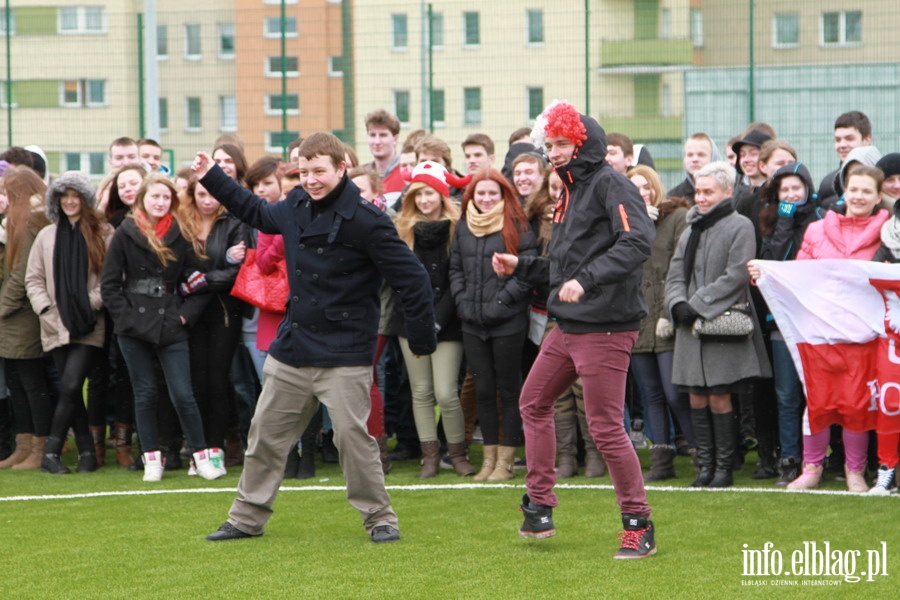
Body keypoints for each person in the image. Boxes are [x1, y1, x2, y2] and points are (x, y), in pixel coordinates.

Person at [192, 132, 436, 544]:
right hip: (294, 347)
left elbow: (412, 280)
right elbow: (254, 210)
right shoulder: (294, 206)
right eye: (304, 172)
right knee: (264, 437)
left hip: (346, 353)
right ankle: (246, 519)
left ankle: (379, 518)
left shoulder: (368, 219)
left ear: (342, 168)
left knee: (353, 441)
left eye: (319, 171)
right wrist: (212, 176)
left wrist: (420, 337)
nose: (311, 179)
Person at [493, 101, 657, 557]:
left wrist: (586, 281)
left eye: (562, 144)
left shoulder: (610, 184)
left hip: (605, 326)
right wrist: (520, 266)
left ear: (583, 144)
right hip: (570, 325)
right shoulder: (568, 190)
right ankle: (541, 505)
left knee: (605, 428)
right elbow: (564, 267)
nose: (554, 152)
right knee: (533, 402)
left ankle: (638, 525)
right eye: (550, 145)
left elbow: (639, 241)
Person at [100, 173, 223, 482]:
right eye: (155, 196)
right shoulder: (125, 232)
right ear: (142, 198)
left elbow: (199, 282)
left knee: (183, 393)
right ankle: (152, 459)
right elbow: (110, 285)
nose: (160, 202)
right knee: (145, 393)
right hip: (133, 325)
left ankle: (201, 457)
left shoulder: (181, 233)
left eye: (166, 197)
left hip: (170, 321)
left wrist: (183, 317)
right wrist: (126, 319)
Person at [774, 166, 888, 492]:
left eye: (867, 191)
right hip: (820, 333)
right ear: (845, 192)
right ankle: (812, 469)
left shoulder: (887, 233)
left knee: (856, 405)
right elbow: (799, 275)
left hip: (862, 335)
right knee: (817, 403)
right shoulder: (817, 230)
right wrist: (765, 272)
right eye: (854, 189)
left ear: (879, 197)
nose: (859, 196)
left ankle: (855, 472)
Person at [665, 161, 772, 489]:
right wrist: (677, 304)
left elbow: (737, 274)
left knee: (720, 396)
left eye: (708, 191)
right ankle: (705, 467)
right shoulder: (690, 226)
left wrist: (695, 306)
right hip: (690, 326)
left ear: (727, 192)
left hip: (719, 325)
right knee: (696, 396)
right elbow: (674, 272)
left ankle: (724, 469)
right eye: (698, 190)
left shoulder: (740, 225)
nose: (701, 197)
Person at [450, 169, 536, 482]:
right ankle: (488, 458)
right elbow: (456, 268)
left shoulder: (518, 224)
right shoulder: (463, 226)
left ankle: (506, 461)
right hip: (472, 323)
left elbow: (526, 273)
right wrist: (462, 301)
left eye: (492, 194)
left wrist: (501, 304)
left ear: (503, 196)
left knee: (509, 390)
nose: (486, 199)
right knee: (483, 390)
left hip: (507, 322)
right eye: (480, 193)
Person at [25, 171, 113, 474]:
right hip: (53, 323)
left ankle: (51, 452)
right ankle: (87, 452)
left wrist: (88, 304)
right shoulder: (46, 236)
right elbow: (33, 279)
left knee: (73, 384)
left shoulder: (102, 232)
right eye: (64, 196)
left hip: (89, 322)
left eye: (76, 196)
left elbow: (110, 278)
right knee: (70, 390)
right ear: (57, 200)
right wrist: (46, 308)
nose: (70, 202)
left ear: (85, 199)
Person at [394, 161, 473, 478]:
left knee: (445, 392)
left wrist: (436, 321)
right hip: (410, 322)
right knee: (421, 391)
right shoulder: (402, 231)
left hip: (447, 323)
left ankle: (457, 454)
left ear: (442, 195)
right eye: (419, 194)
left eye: (431, 193)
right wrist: (418, 323)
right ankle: (429, 455)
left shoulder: (458, 229)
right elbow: (398, 282)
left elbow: (458, 280)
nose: (425, 200)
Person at [747, 162, 822, 485]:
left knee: (818, 394)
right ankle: (789, 457)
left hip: (817, 321)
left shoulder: (821, 220)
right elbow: (773, 260)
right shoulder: (772, 221)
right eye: (785, 190)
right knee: (786, 394)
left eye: (797, 188)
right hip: (781, 320)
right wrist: (785, 220)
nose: (792, 194)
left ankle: (818, 459)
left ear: (808, 188)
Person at [627, 165, 692, 481]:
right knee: (651, 393)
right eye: (634, 188)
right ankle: (661, 461)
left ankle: (700, 454)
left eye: (645, 186)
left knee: (674, 392)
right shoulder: (622, 224)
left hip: (665, 318)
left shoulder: (676, 216)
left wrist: (669, 313)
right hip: (637, 320)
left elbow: (680, 266)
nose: (641, 193)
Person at [178, 176, 248, 470]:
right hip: (192, 314)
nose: (208, 200)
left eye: (213, 194)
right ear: (192, 195)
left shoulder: (234, 223)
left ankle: (216, 449)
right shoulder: (182, 224)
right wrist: (195, 282)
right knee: (195, 383)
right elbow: (176, 266)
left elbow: (237, 273)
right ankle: (199, 451)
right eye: (201, 194)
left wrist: (203, 280)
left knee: (218, 381)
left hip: (223, 312)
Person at [0, 166, 52, 470]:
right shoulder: (17, 221)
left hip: (23, 315)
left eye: (8, 191)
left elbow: (22, 274)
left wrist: (3, 306)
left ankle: (39, 447)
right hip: (14, 315)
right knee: (18, 382)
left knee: (32, 382)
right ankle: (24, 444)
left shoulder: (31, 220)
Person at [818, 111, 872, 207]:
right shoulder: (827, 184)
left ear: (867, 140)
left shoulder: (888, 179)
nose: (842, 145)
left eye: (849, 139)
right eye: (838, 140)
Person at [667, 133, 718, 202]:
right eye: (690, 155)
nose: (695, 159)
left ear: (713, 158)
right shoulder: (674, 197)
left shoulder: (728, 191)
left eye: (701, 155)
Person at [365, 109, 405, 194]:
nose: (377, 141)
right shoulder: (363, 175)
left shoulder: (406, 172)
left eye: (383, 135)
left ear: (395, 139)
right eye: (372, 135)